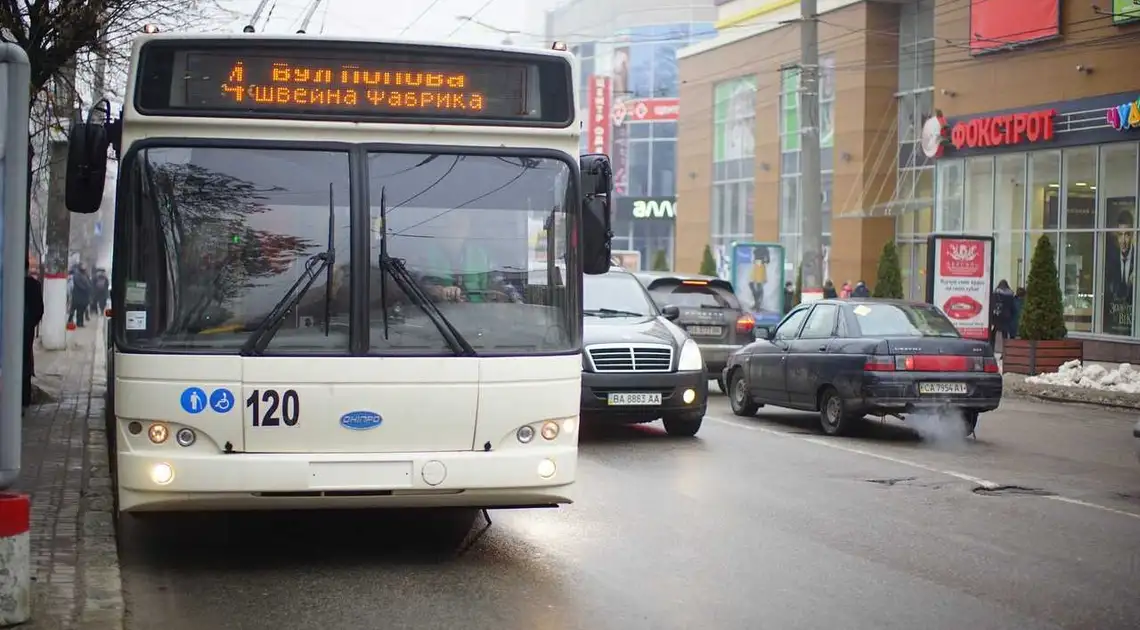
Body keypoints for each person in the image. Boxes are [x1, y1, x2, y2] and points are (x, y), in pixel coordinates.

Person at [415, 211, 512, 303]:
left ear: (468, 230)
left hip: (480, 315)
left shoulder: (483, 256)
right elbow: (415, 286)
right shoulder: (422, 257)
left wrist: (507, 299)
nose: (455, 230)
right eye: (451, 225)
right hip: (436, 315)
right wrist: (438, 291)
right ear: (439, 229)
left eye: (461, 225)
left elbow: (502, 286)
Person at [24, 264, 44, 408]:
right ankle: (23, 400)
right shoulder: (34, 285)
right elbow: (39, 310)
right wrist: (30, 324)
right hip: (26, 330)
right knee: (24, 361)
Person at [990, 279, 1016, 349]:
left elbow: (991, 305)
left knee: (993, 334)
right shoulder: (1010, 295)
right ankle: (1005, 352)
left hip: (996, 315)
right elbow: (1013, 308)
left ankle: (992, 349)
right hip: (1006, 316)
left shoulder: (995, 294)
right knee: (1004, 335)